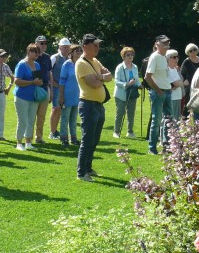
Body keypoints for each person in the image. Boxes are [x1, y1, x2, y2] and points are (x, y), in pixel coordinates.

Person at [75, 34, 111, 182]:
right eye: (94, 45)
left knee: (95, 139)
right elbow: (94, 84)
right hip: (88, 105)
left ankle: (88, 168)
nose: (97, 48)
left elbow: (109, 76)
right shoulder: (81, 63)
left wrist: (99, 77)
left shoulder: (95, 61)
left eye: (98, 45)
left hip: (98, 105)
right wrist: (101, 77)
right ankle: (81, 172)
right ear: (85, 46)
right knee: (87, 139)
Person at [145, 35, 173, 155]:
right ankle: (152, 147)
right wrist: (158, 90)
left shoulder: (164, 57)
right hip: (159, 92)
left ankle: (166, 146)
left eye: (167, 43)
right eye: (164, 43)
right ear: (157, 44)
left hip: (167, 91)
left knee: (169, 120)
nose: (167, 45)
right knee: (156, 120)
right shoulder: (155, 57)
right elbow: (147, 76)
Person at [13, 44, 44, 151]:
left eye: (38, 52)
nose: (36, 54)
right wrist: (32, 82)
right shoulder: (21, 64)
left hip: (33, 96)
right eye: (34, 51)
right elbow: (16, 81)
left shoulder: (37, 65)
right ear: (29, 52)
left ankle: (28, 143)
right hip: (22, 96)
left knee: (31, 120)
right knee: (23, 121)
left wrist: (39, 82)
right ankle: (19, 143)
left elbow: (38, 79)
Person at [113, 47, 140, 139]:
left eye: (132, 54)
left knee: (131, 113)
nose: (130, 56)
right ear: (123, 56)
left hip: (132, 93)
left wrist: (139, 85)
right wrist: (126, 84)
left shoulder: (135, 67)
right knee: (120, 112)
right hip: (121, 94)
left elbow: (136, 79)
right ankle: (116, 132)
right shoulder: (120, 67)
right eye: (128, 55)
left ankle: (130, 132)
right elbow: (116, 81)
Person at [58, 44, 82, 146]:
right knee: (65, 117)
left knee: (73, 118)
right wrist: (61, 96)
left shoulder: (81, 64)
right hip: (67, 94)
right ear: (71, 53)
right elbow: (62, 81)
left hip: (77, 95)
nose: (79, 53)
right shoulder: (66, 64)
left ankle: (73, 138)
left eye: (80, 51)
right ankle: (64, 138)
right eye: (76, 51)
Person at [33, 35, 54, 142]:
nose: (44, 45)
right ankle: (27, 138)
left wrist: (51, 91)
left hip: (45, 88)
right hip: (33, 88)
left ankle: (39, 138)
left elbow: (49, 73)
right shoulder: (32, 56)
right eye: (42, 43)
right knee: (31, 116)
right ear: (36, 44)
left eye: (45, 43)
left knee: (41, 116)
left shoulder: (47, 57)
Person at [50, 38, 70, 140]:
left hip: (66, 88)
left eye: (68, 47)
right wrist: (53, 83)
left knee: (62, 110)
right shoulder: (55, 58)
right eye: (64, 47)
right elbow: (48, 72)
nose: (66, 49)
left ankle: (56, 130)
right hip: (56, 88)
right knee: (56, 109)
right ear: (60, 47)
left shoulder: (70, 58)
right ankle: (52, 132)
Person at [0, 49, 14, 141]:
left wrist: (9, 87)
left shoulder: (5, 66)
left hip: (2, 92)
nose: (4, 58)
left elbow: (12, 77)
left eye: (5, 56)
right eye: (2, 56)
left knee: (1, 115)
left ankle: (0, 135)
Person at [180, 43, 199, 117]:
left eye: (194, 50)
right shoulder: (186, 61)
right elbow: (181, 73)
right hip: (189, 86)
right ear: (188, 53)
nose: (193, 52)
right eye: (190, 51)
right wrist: (185, 80)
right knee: (189, 104)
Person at [166, 49, 184, 119]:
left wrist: (177, 84)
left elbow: (180, 83)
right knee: (171, 119)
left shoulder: (175, 69)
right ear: (168, 59)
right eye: (174, 57)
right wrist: (178, 83)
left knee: (176, 118)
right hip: (171, 97)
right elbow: (177, 83)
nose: (176, 59)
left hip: (178, 96)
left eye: (177, 57)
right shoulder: (167, 70)